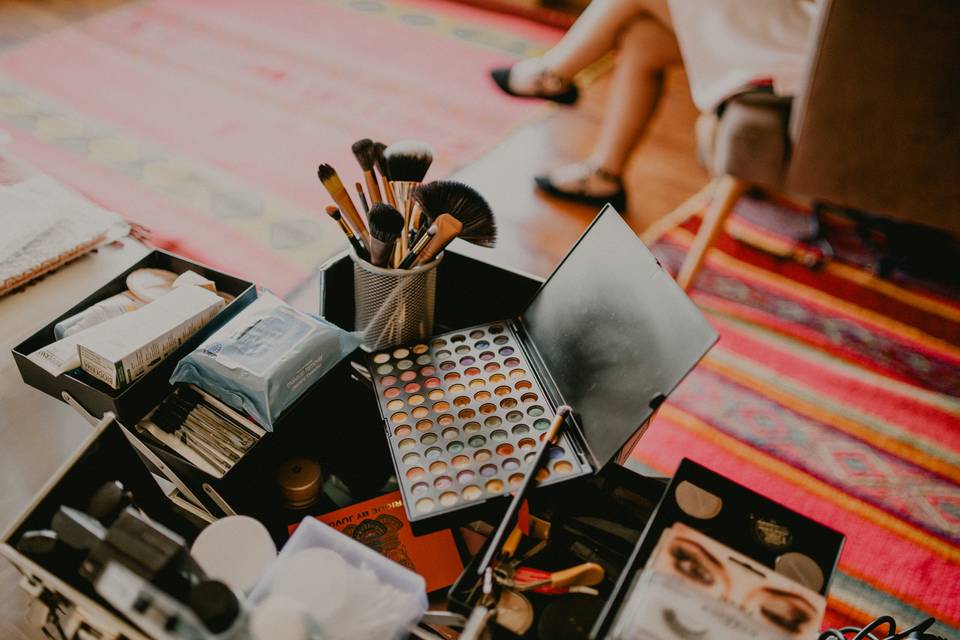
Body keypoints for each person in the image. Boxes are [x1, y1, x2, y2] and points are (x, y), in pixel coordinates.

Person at [491, 0, 818, 211]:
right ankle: (605, 174)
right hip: (788, 17)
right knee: (643, 42)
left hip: (812, 39)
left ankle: (551, 74)